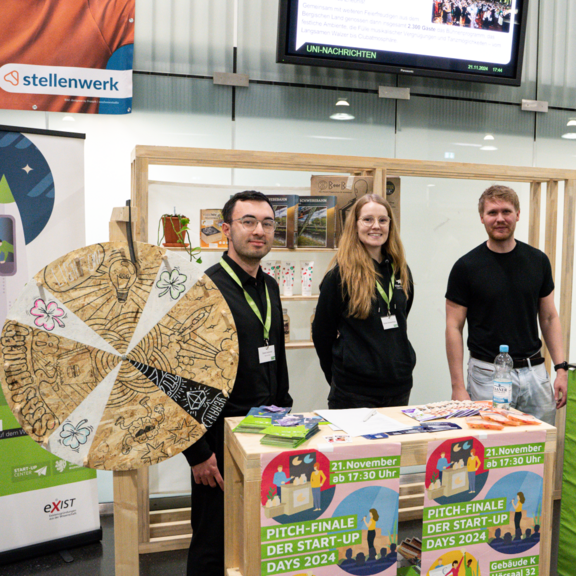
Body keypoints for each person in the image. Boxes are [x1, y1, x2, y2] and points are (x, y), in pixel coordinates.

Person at [183, 190, 292, 576]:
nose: (259, 230)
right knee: (213, 542)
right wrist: (196, 452)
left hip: (265, 429)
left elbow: (275, 352)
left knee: (257, 534)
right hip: (217, 438)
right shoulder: (204, 291)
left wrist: (285, 411)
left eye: (267, 223)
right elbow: (180, 376)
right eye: (248, 222)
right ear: (227, 229)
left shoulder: (271, 286)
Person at [445, 185, 568, 425]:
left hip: (535, 373)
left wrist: (561, 369)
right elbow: (453, 327)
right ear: (482, 217)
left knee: (539, 449)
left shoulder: (538, 261)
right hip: (487, 375)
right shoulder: (466, 267)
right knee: (493, 450)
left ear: (518, 214)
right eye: (492, 213)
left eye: (506, 211)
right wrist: (458, 387)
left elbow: (549, 317)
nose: (500, 218)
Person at [312, 194, 415, 409]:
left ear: (390, 225)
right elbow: (322, 333)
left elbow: (402, 316)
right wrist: (339, 376)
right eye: (367, 219)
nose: (376, 226)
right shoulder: (339, 276)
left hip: (399, 388)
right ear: (355, 225)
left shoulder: (401, 271)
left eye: (383, 220)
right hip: (353, 392)